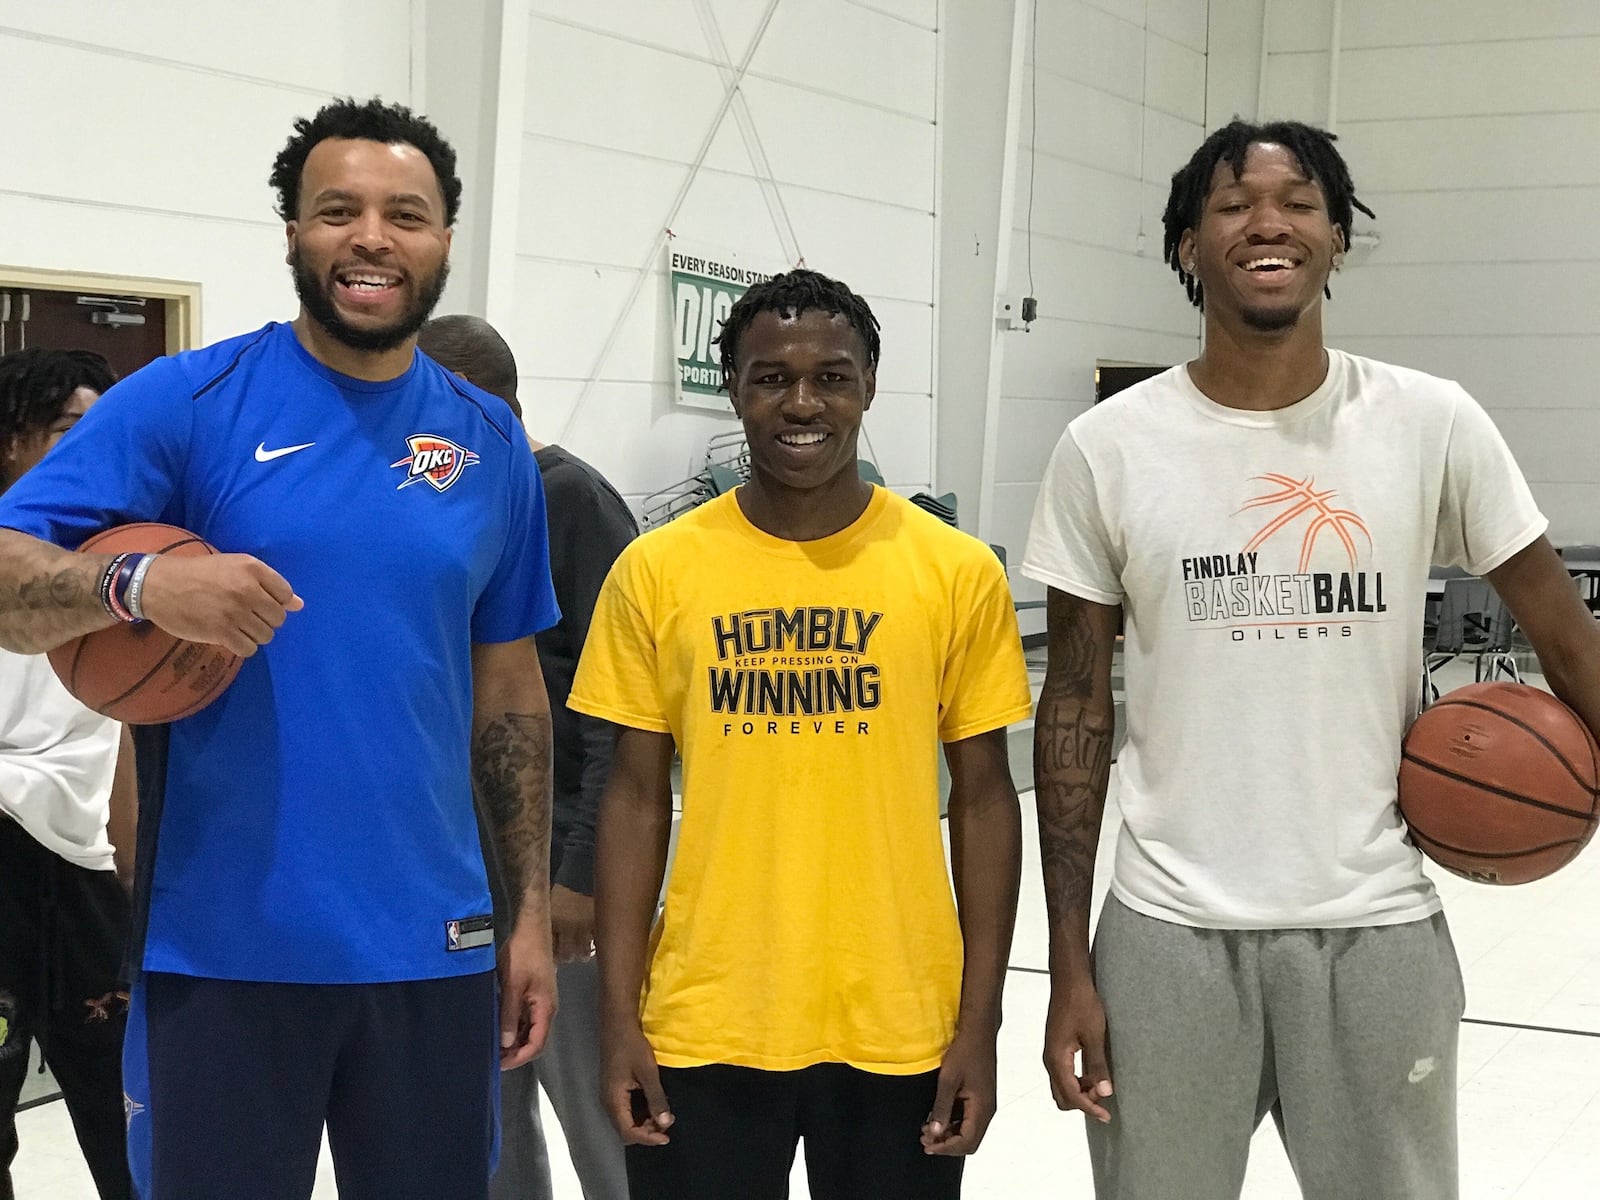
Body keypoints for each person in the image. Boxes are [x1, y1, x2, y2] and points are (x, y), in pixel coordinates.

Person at [1022, 118, 1600, 1200]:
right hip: (1164, 932)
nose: (1266, 224)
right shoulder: (1107, 446)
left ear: (1337, 235)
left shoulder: (1430, 421)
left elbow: (1567, 639)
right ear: (1187, 248)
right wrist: (1067, 961)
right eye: (1232, 206)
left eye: (1295, 202)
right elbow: (1074, 712)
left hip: (1376, 923)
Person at [0, 98, 561, 1200]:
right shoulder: (190, 401)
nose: (371, 237)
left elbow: (508, 692)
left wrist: (528, 915)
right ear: (294, 235)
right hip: (222, 947)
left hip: (436, 945)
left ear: (444, 239)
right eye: (335, 210)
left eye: (406, 213)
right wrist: (142, 582)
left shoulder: (490, 444)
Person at [570, 268, 1032, 1200]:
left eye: (832, 375)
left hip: (900, 1020)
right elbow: (630, 795)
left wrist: (978, 1024)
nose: (803, 401)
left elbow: (984, 800)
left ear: (868, 386)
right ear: (733, 388)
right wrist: (620, 1018)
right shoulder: (655, 571)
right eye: (771, 377)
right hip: (706, 1018)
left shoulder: (955, 572)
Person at [418, 314, 635, 1200]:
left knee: (601, 1118)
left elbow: (625, 715)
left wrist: (581, 875)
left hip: (559, 878)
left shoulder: (572, 499)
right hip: (460, 880)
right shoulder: (442, 503)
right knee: (490, 1129)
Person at [0, 347, 137, 1200]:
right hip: (3, 851)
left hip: (90, 870)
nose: (91, 453)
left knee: (124, 1116)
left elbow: (134, 735)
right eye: (65, 432)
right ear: (12, 442)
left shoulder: (133, 562)